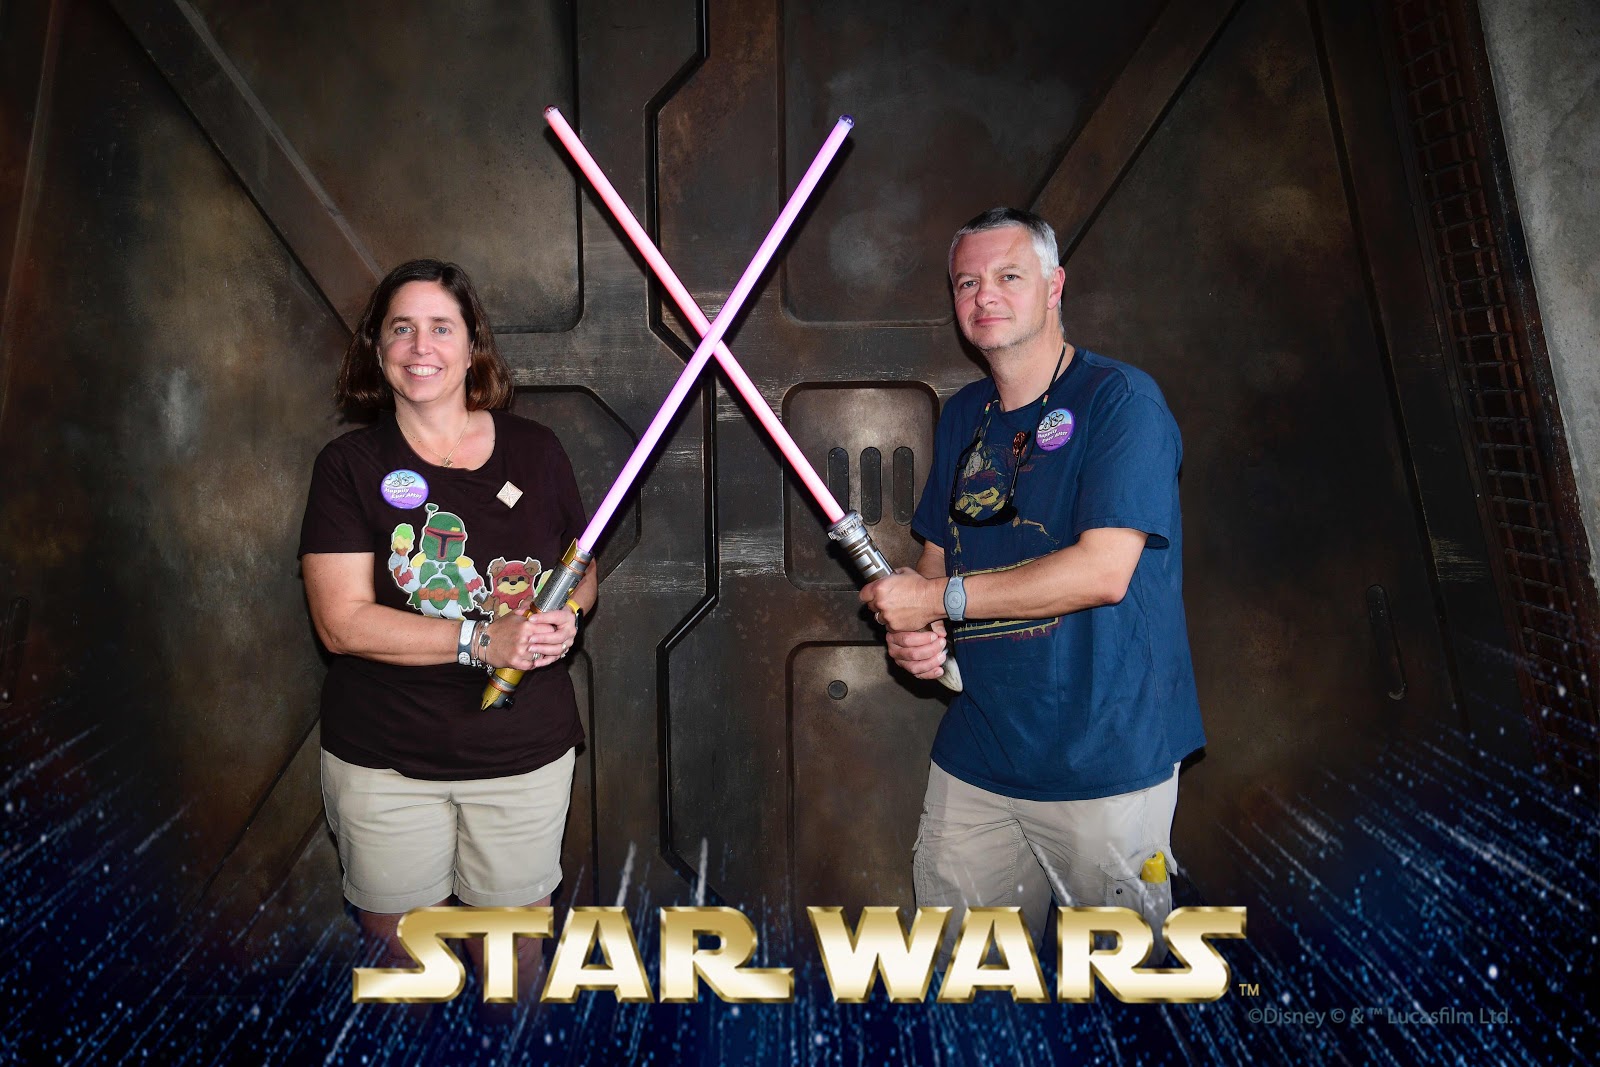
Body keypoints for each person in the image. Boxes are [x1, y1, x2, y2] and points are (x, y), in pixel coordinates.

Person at [861, 208, 1204, 964]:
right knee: (964, 974)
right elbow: (936, 559)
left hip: (1106, 757)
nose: (985, 294)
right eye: (967, 282)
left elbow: (1103, 571)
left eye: (1009, 275)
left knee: (1121, 983)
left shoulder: (1121, 401)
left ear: (1054, 287)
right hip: (981, 749)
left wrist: (938, 601)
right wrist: (918, 631)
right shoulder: (964, 415)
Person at [298, 259, 596, 994]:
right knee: (403, 962)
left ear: (472, 348)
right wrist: (480, 641)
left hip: (521, 753)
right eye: (401, 328)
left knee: (512, 960)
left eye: (441, 327)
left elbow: (580, 567)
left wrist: (567, 614)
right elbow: (341, 623)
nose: (420, 346)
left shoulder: (537, 450)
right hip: (385, 762)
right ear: (377, 350)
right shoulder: (348, 465)